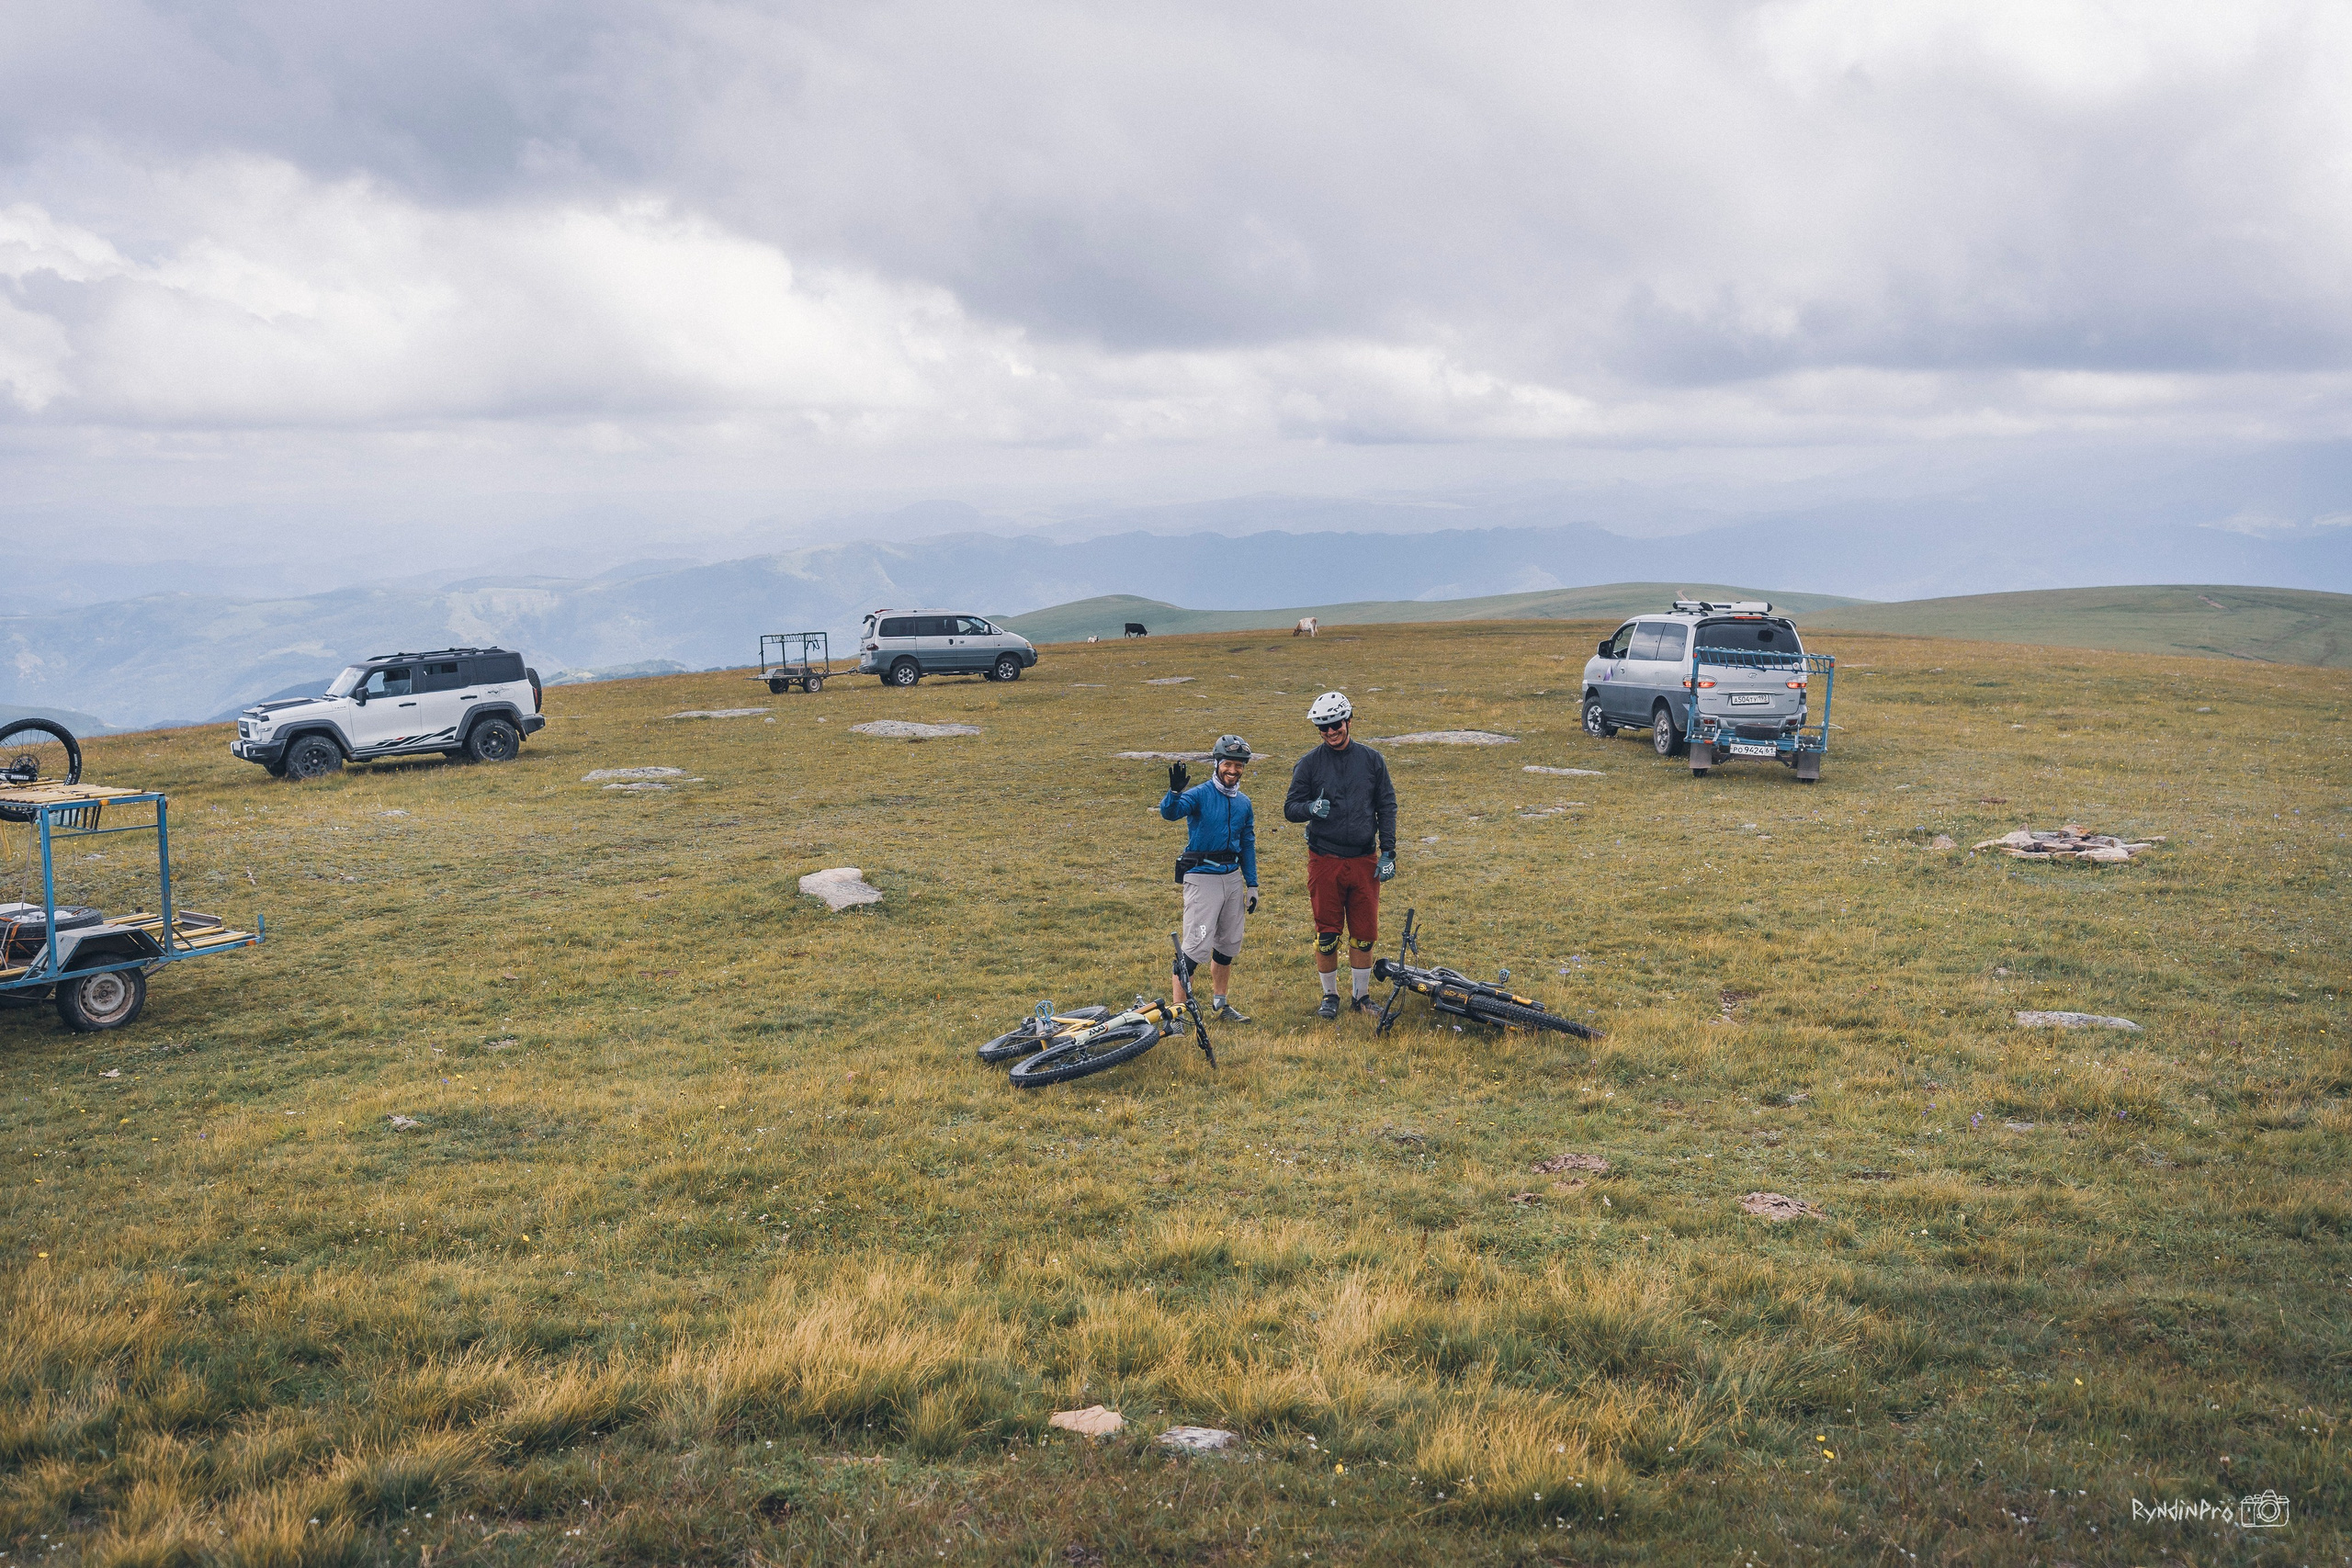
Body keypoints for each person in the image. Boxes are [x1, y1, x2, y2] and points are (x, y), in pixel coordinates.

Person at [1283, 692, 1396, 1020]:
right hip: (1325, 859)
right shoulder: (1309, 764)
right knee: (1328, 933)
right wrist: (1309, 809)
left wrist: (1388, 852)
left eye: (1336, 725)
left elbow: (1387, 806)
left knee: (1364, 933)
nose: (1331, 733)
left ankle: (1361, 998)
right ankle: (1329, 996)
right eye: (1323, 728)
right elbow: (1290, 808)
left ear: (1348, 721)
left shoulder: (1372, 760)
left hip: (1364, 859)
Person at [1159, 734, 1259, 1024]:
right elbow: (1171, 813)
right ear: (1217, 763)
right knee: (1193, 949)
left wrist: (1251, 884)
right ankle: (1178, 1014)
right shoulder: (1200, 794)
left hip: (1232, 879)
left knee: (1227, 946)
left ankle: (1221, 1004)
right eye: (1228, 763)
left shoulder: (1243, 803)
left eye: (1238, 766)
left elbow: (1248, 842)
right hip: (1203, 879)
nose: (1233, 770)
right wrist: (1174, 794)